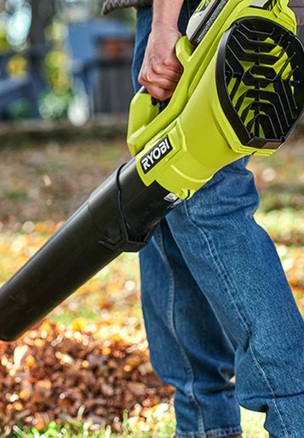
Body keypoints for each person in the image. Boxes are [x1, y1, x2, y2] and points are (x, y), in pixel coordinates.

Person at [101, 0, 304, 436]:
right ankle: (203, 427)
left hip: (195, 12)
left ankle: (295, 418)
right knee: (160, 204)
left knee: (201, 198)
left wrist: (163, 24)